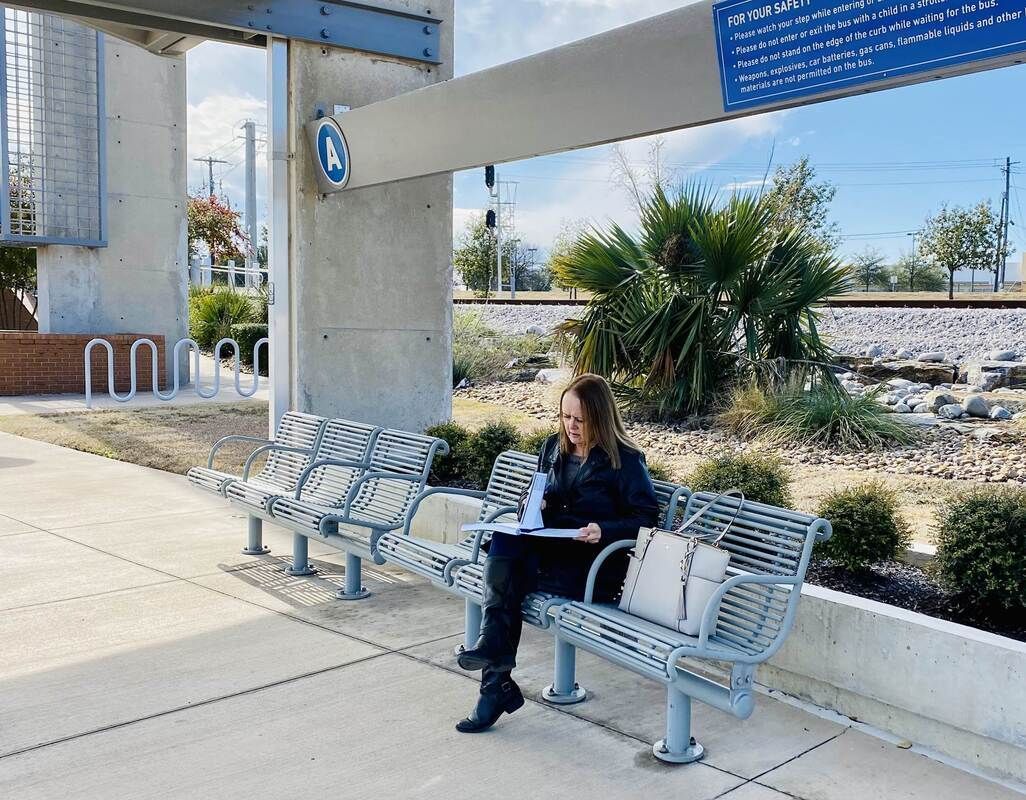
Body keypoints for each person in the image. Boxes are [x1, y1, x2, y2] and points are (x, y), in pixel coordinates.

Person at [455, 373, 660, 733]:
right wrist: (535, 503)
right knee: (505, 544)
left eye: (580, 419)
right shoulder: (553, 447)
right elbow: (531, 494)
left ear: (600, 416)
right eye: (565, 417)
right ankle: (493, 662)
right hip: (552, 551)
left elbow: (645, 518)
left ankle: (495, 681)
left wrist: (604, 529)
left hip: (593, 565)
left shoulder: (625, 460)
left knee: (507, 579)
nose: (571, 425)